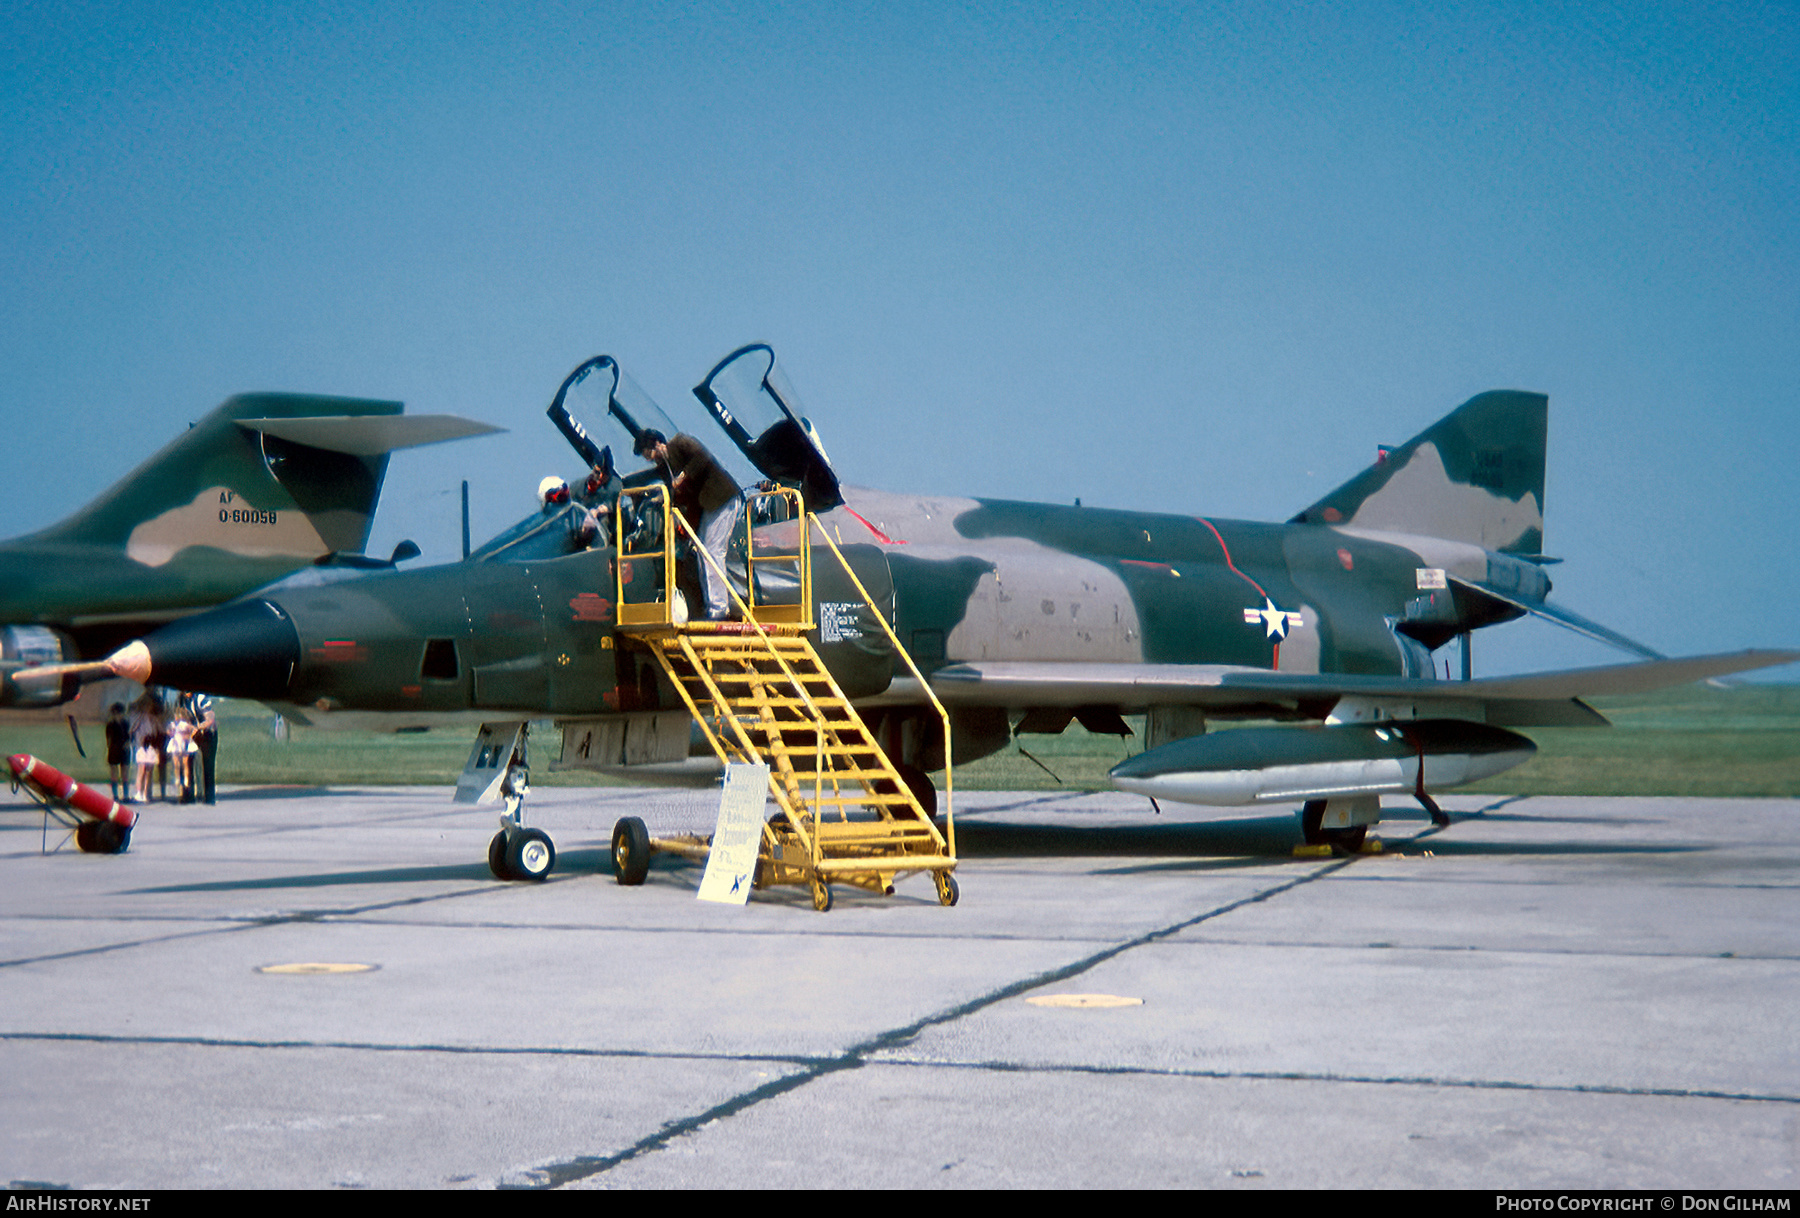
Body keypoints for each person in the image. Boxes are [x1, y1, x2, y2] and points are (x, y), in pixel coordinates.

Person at [634, 429, 743, 620]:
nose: (651, 459)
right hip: (709, 506)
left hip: (722, 498)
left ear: (658, 444)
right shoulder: (666, 466)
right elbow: (673, 488)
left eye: (649, 454)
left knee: (712, 551)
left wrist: (683, 476)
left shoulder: (681, 442)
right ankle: (712, 606)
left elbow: (702, 456)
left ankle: (719, 608)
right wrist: (662, 497)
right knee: (702, 552)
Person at [181, 690, 217, 804]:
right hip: (194, 733)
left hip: (208, 733)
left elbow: (210, 718)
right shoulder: (183, 700)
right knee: (188, 761)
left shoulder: (200, 698)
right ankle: (189, 794)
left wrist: (198, 726)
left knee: (208, 764)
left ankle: (209, 797)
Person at [105, 703, 131, 801]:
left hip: (124, 750)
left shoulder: (125, 723)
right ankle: (115, 795)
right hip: (114, 749)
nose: (119, 715)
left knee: (125, 773)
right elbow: (108, 738)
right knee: (114, 772)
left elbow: (129, 737)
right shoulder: (111, 724)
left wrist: (127, 744)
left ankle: (126, 795)